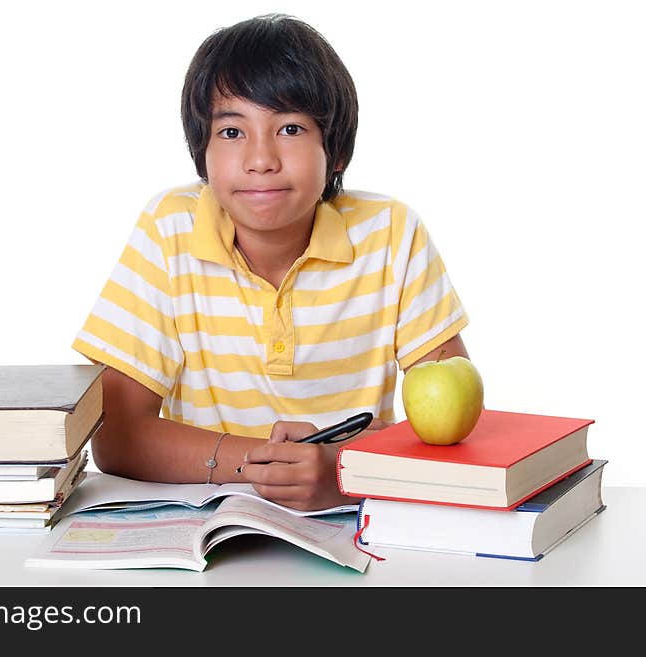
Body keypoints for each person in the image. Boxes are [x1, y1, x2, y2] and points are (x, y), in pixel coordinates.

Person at [72, 14, 472, 511]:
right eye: (232, 131)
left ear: (337, 150)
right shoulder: (168, 228)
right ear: (202, 153)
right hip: (206, 521)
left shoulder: (392, 234)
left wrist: (343, 466)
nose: (260, 159)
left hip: (355, 526)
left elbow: (452, 429)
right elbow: (116, 437)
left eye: (289, 127)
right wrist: (263, 463)